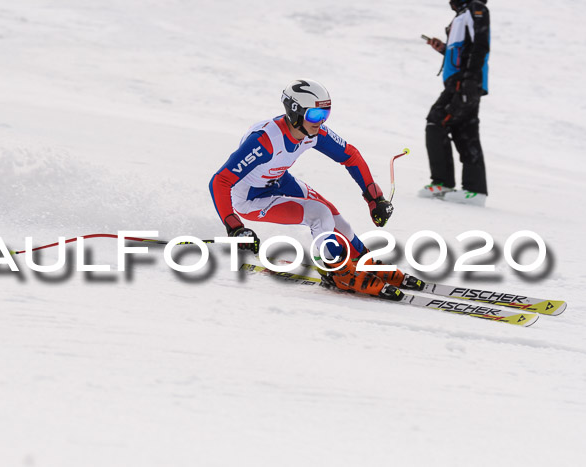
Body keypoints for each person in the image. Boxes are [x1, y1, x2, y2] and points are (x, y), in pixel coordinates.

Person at [209, 79, 423, 300]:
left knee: (335, 218)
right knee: (319, 215)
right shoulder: (265, 141)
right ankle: (338, 271)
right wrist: (234, 227)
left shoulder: (313, 133)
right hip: (250, 198)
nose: (320, 122)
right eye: (314, 115)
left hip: (279, 180)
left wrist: (374, 198)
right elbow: (220, 181)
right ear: (295, 112)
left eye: (325, 115)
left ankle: (361, 260)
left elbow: (351, 156)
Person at [420, 0, 490, 206]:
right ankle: (475, 191)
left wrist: (468, 80)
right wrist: (443, 49)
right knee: (464, 129)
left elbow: (480, 44)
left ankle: (443, 183)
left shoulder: (476, 9)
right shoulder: (462, 13)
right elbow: (463, 50)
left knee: (436, 120)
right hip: (460, 81)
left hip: (464, 82)